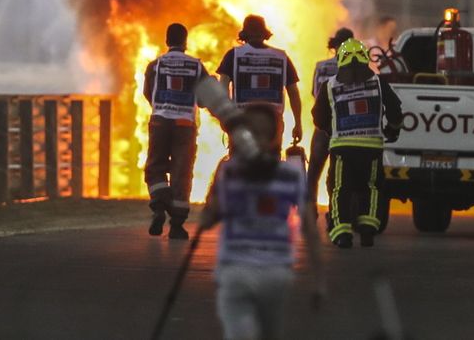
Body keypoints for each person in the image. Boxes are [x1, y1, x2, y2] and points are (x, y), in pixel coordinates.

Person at [198, 105, 324, 340]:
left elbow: (208, 218)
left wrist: (210, 209)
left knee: (238, 333)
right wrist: (319, 282)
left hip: (235, 269)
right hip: (275, 272)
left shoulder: (228, 170)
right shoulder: (292, 174)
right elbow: (309, 228)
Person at [312, 37, 402, 248]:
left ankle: (342, 233)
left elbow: (318, 117)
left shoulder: (329, 85)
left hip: (342, 148)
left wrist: (331, 129)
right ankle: (368, 229)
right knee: (371, 187)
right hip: (371, 147)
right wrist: (392, 130)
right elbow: (395, 110)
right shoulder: (379, 82)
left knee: (340, 188)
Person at [142, 22, 206, 238]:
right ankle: (177, 225)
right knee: (182, 172)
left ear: (167, 41)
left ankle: (159, 207)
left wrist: (162, 108)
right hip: (185, 125)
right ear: (185, 41)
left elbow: (147, 93)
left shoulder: (155, 65)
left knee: (155, 166)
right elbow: (206, 100)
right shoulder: (196, 66)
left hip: (159, 122)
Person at [215, 14, 302, 147]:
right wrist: (298, 123)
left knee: (240, 163)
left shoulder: (234, 55)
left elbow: (223, 88)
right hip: (273, 122)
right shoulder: (281, 57)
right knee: (270, 164)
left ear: (244, 33)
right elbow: (293, 92)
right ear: (264, 32)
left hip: (242, 120)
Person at [304, 27, 354, 202]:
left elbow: (314, 93)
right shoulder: (357, 70)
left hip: (322, 127)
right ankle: (337, 211)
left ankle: (310, 210)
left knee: (313, 173)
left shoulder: (321, 67)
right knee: (340, 174)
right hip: (346, 127)